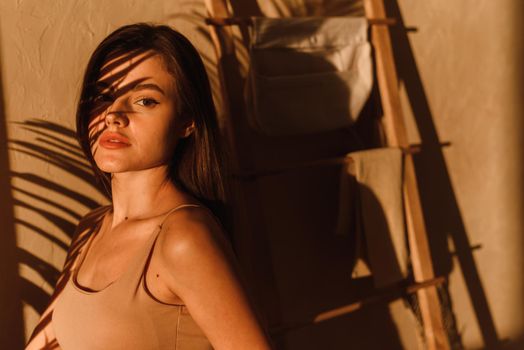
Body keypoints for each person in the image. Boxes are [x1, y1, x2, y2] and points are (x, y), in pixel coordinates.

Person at [25, 23, 273, 350]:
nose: (114, 114)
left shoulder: (184, 237)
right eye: (103, 96)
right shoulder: (90, 230)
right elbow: (47, 341)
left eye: (144, 101)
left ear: (187, 121)